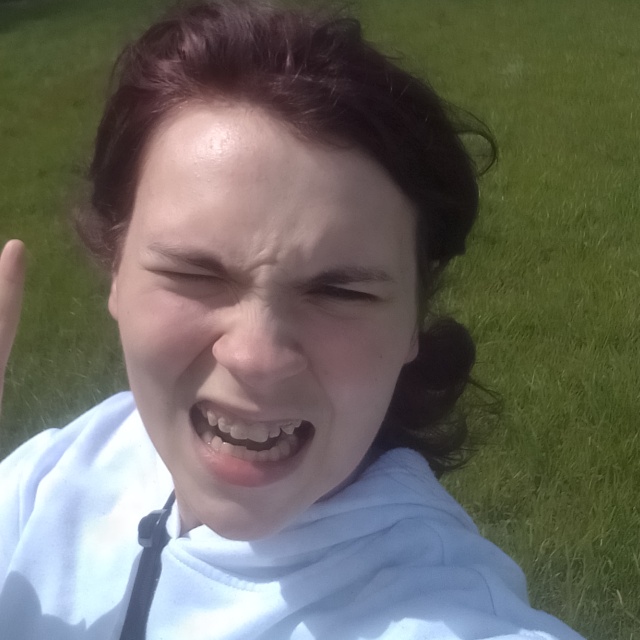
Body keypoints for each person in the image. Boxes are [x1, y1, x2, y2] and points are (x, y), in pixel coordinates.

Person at [0, 1, 585, 639]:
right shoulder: (67, 468)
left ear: (413, 322)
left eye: (339, 291)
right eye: (195, 274)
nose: (255, 356)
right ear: (116, 269)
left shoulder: (444, 616)